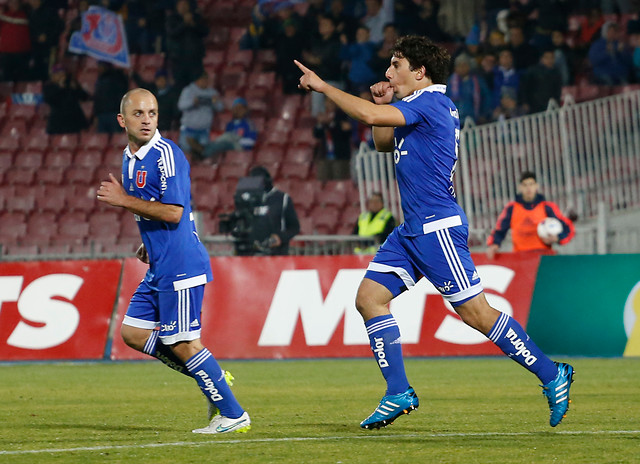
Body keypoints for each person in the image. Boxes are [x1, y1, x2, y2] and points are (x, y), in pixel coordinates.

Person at [295, 35, 575, 430]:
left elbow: (374, 123)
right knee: (369, 299)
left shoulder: (431, 103)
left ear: (420, 72)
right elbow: (381, 141)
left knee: (476, 314)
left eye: (396, 65)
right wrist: (381, 104)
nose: (389, 73)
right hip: (412, 230)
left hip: (437, 228)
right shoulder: (413, 106)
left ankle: (552, 374)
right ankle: (398, 392)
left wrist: (324, 88)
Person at [96, 88, 250, 435]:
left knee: (181, 342)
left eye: (152, 112)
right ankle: (208, 374)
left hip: (181, 264)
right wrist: (148, 241)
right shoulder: (129, 157)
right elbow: (154, 210)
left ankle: (233, 413)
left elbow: (174, 211)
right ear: (122, 120)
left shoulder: (167, 155)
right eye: (138, 114)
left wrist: (123, 200)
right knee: (133, 333)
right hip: (159, 263)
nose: (147, 119)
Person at [486, 171, 575, 259]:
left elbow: (568, 227)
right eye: (525, 185)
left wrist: (558, 238)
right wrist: (494, 244)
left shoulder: (547, 207)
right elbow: (499, 230)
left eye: (531, 184)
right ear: (520, 187)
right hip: (520, 257)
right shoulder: (511, 208)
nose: (528, 188)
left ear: (536, 186)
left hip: (544, 256)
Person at [232, 165, 300, 256]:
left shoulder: (283, 199)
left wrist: (280, 237)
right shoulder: (247, 199)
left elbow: (295, 227)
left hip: (276, 254)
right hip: (251, 255)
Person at [188, 97, 257, 161]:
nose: (237, 110)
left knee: (224, 140)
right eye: (235, 108)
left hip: (241, 146)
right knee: (222, 140)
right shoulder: (230, 124)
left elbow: (251, 141)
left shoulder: (248, 124)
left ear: (245, 110)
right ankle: (202, 149)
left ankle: (203, 152)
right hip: (229, 143)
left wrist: (236, 141)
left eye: (240, 108)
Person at [177, 71, 223, 156]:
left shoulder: (212, 92)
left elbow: (220, 108)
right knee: (186, 155)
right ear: (197, 80)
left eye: (206, 79)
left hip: (204, 131)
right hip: (188, 130)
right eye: (203, 79)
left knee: (204, 156)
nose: (205, 82)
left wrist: (215, 102)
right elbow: (181, 106)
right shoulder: (188, 90)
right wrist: (192, 102)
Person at [43, 63, 90, 134]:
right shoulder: (49, 86)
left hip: (73, 120)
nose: (61, 75)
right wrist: (60, 88)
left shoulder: (71, 83)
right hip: (57, 121)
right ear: (53, 76)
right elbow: (49, 99)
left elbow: (84, 97)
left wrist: (76, 88)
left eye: (62, 73)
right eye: (58, 73)